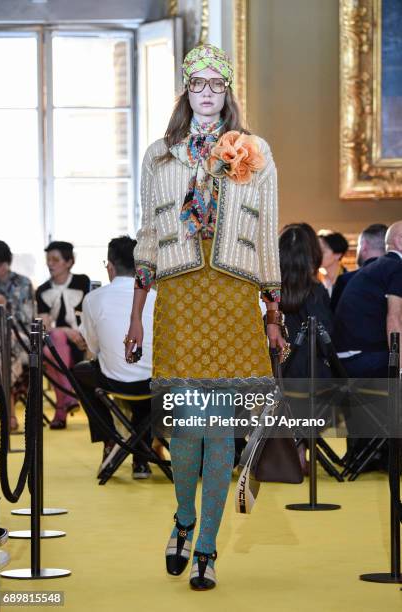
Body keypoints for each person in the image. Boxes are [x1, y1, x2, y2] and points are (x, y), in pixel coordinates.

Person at [125, 44, 284, 591]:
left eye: (218, 84)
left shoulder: (255, 152)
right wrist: (135, 315)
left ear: (229, 91)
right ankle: (184, 518)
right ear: (187, 90)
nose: (209, 93)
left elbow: (266, 236)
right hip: (180, 295)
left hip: (234, 295)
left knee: (220, 432)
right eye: (200, 84)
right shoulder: (160, 154)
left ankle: (208, 549)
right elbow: (148, 232)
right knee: (188, 430)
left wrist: (272, 313)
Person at [74, 236, 155, 479]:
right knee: (147, 378)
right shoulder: (156, 297)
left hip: (114, 381)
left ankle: (109, 437)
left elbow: (92, 347)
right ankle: (142, 455)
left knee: (80, 372)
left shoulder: (93, 299)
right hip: (155, 385)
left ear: (110, 266)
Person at [333, 221, 402, 468]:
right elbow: (394, 319)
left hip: (344, 361)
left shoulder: (374, 270)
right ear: (399, 242)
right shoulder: (396, 267)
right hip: (361, 360)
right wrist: (399, 367)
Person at [278, 225, 333, 472]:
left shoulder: (269, 293)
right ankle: (301, 449)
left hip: (274, 376)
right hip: (313, 380)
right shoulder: (316, 293)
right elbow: (327, 339)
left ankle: (292, 448)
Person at [36, 241, 90, 429]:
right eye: (48, 260)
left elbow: (90, 315)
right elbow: (45, 325)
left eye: (55, 259)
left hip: (82, 339)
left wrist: (82, 335)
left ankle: (61, 409)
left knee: (50, 353)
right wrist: (66, 330)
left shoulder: (82, 281)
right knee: (55, 341)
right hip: (56, 340)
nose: (50, 264)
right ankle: (68, 397)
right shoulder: (43, 290)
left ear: (69, 262)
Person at [0, 240, 34, 430]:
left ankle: (8, 411)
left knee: (3, 347)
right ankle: (8, 412)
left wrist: (6, 304)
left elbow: (27, 318)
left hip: (19, 336)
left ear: (6, 263)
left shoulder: (23, 283)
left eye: (0, 264)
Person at [331, 224, 387, 311]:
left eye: (358, 246)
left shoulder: (346, 280)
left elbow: (333, 318)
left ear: (364, 246)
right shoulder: (395, 278)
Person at [318, 230, 349, 296]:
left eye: (322, 252)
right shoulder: (317, 279)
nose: (317, 255)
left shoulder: (348, 281)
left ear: (337, 254)